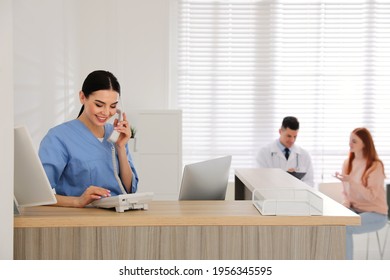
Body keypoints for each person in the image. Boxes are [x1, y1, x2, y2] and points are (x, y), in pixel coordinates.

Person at [39, 70, 138, 207]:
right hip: (81, 221)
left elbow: (129, 190)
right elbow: (39, 195)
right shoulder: (58, 137)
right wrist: (77, 201)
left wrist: (120, 147)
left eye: (113, 106)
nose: (106, 112)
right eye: (99, 105)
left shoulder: (116, 135)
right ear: (82, 97)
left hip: (119, 216)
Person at [334, 127, 388, 260]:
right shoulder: (348, 163)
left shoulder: (375, 166)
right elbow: (346, 193)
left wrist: (352, 181)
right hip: (355, 210)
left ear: (364, 143)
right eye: (349, 140)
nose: (350, 144)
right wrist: (345, 205)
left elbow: (371, 196)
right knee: (333, 223)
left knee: (345, 227)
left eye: (354, 141)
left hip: (376, 214)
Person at [256, 116, 314, 187]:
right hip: (273, 196)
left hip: (297, 197)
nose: (292, 140)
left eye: (295, 136)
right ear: (280, 131)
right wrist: (284, 177)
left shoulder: (304, 154)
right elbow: (261, 180)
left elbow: (310, 182)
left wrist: (295, 182)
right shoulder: (264, 153)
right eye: (289, 136)